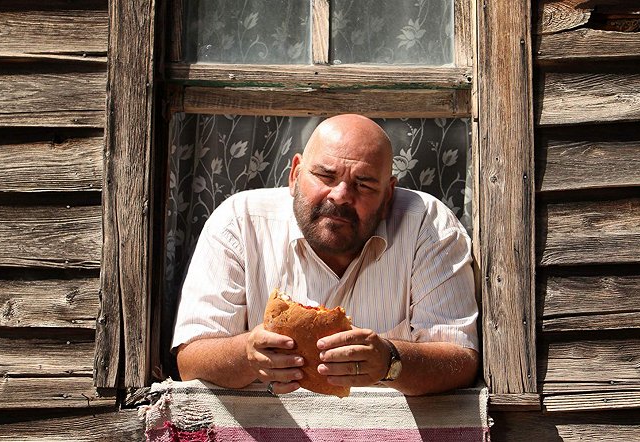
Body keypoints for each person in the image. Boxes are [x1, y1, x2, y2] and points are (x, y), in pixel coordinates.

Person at [172, 114, 479, 396]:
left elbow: (461, 360)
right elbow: (191, 361)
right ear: (294, 174)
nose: (341, 195)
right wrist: (247, 355)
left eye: (364, 183)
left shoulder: (428, 225)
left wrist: (390, 361)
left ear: (388, 196)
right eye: (326, 176)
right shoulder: (240, 222)